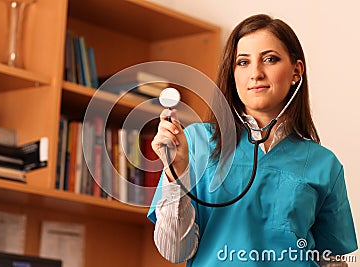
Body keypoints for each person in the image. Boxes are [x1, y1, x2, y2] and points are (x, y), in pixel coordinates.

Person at [147, 14, 357, 266]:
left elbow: (331, 259)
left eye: (270, 59)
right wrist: (176, 174)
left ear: (296, 71)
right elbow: (175, 251)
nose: (256, 73)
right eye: (243, 62)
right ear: (232, 74)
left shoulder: (324, 164)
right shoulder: (195, 143)